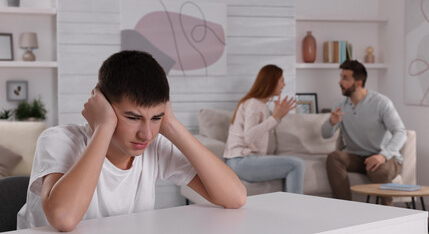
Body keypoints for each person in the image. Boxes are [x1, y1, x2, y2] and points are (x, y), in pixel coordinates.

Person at [17, 50, 246, 231]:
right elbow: (64, 219)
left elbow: (235, 197)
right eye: (133, 118)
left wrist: (172, 126)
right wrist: (104, 127)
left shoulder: (154, 147)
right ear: (103, 106)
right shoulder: (58, 140)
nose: (146, 134)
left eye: (156, 117)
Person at [322, 60, 407, 205]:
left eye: (345, 78)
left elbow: (400, 132)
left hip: (384, 158)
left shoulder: (381, 103)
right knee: (334, 157)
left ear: (359, 82)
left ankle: (388, 213)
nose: (339, 82)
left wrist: (382, 156)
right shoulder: (340, 104)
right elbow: (325, 134)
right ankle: (345, 207)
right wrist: (331, 122)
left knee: (378, 170)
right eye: (340, 77)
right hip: (356, 157)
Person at [223, 64, 305, 194]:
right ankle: (294, 209)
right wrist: (275, 118)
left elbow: (259, 132)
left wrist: (277, 117)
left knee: (295, 164)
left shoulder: (258, 104)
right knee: (297, 164)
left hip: (240, 161)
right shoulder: (254, 104)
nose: (284, 85)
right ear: (272, 82)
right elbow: (249, 136)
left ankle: (290, 207)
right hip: (241, 162)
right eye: (282, 81)